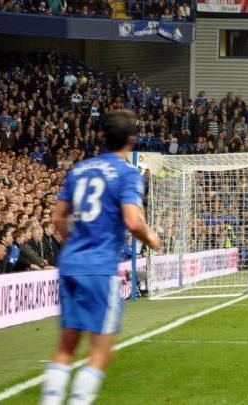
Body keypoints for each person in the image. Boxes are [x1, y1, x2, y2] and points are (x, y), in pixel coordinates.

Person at [40, 110, 161, 405]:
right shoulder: (127, 173)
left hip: (70, 264)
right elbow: (132, 221)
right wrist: (151, 238)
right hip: (98, 267)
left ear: (102, 137)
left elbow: (57, 218)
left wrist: (76, 243)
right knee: (100, 351)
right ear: (133, 139)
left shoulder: (79, 169)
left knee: (66, 346)